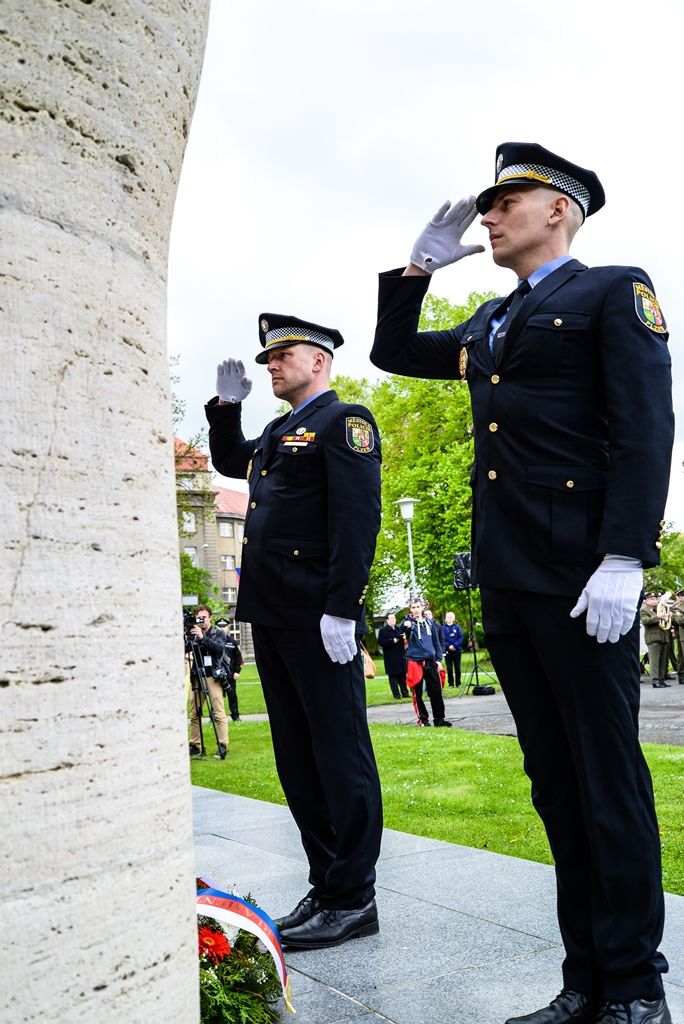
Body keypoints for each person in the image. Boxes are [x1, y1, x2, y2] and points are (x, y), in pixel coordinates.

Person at [371, 142, 673, 1024]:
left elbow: (647, 426)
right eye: (487, 203)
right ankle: (586, 981)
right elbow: (393, 351)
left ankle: (634, 989)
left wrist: (627, 554)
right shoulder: (490, 324)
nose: (489, 215)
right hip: (508, 582)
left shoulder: (613, 291)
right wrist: (417, 267)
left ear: (561, 210)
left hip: (585, 580)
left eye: (508, 199)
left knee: (607, 783)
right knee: (555, 784)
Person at [205, 313, 383, 950]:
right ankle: (326, 883)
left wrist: (343, 608)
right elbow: (230, 458)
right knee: (298, 757)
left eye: (283, 355)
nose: (271, 365)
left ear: (321, 360)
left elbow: (359, 519)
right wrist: (226, 408)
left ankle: (354, 895)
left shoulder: (346, 421)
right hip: (274, 612)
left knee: (340, 754)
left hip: (317, 613)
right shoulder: (282, 429)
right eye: (266, 358)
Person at [187, 605, 229, 759]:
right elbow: (184, 649)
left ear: (210, 617)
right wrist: (187, 635)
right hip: (197, 675)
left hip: (213, 676)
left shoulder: (218, 633)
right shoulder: (193, 633)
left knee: (218, 712)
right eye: (199, 618)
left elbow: (218, 649)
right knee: (194, 713)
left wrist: (202, 637)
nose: (202, 621)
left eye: (204, 617)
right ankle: (195, 745)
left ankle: (223, 745)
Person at [403, 598, 451, 727]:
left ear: (422, 607)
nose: (416, 610)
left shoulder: (430, 623)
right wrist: (406, 626)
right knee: (417, 693)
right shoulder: (408, 623)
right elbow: (403, 631)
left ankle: (439, 719)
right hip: (415, 661)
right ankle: (423, 720)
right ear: (410, 609)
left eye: (418, 607)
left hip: (431, 661)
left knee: (436, 691)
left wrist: (439, 660)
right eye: (413, 607)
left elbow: (436, 642)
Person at [639, 594, 672, 689]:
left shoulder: (658, 609)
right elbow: (645, 621)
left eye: (656, 599)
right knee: (655, 661)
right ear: (646, 600)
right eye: (652, 599)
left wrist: (668, 616)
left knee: (663, 661)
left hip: (663, 637)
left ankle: (661, 679)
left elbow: (665, 621)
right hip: (653, 638)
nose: (655, 601)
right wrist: (658, 617)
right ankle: (655, 680)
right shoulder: (643, 610)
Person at [215, 618, 243, 720]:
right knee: (216, 697)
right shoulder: (213, 641)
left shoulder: (232, 642)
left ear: (228, 628)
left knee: (232, 696)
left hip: (230, 675)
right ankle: (214, 717)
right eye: (220, 626)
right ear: (216, 628)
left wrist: (237, 671)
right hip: (217, 675)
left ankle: (235, 716)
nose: (222, 629)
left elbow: (238, 658)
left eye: (224, 626)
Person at [377, 612, 410, 698]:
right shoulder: (383, 630)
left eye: (394, 618)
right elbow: (380, 642)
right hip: (390, 657)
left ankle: (405, 693)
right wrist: (392, 641)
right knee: (393, 677)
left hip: (400, 655)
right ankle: (396, 695)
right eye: (391, 618)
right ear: (387, 620)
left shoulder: (399, 629)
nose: (393, 619)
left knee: (402, 676)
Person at [442, 611, 463, 687]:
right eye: (448, 617)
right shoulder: (443, 628)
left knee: (457, 667)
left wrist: (454, 645)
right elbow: (443, 639)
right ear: (445, 618)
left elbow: (460, 637)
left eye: (451, 617)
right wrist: (449, 646)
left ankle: (458, 683)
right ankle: (451, 684)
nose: (449, 618)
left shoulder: (457, 627)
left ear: (453, 618)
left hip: (457, 650)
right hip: (447, 651)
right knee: (449, 668)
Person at [672, 590, 684, 685]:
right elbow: (680, 621)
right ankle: (681, 675)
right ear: (680, 598)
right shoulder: (677, 608)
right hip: (682, 635)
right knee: (682, 656)